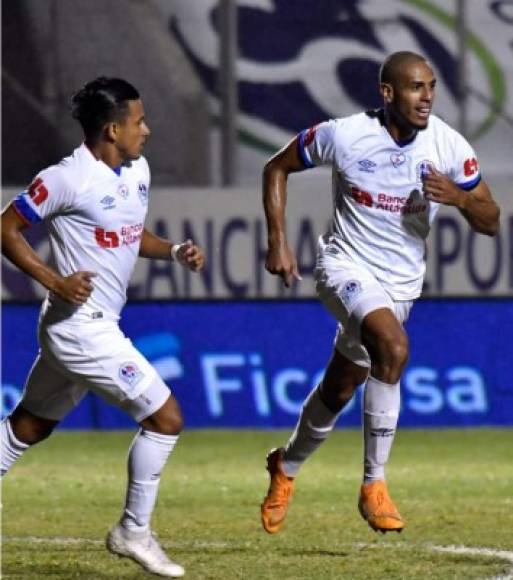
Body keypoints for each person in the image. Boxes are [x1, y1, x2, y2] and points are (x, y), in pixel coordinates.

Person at [260, 51, 500, 535]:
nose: (426, 96)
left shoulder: (449, 146)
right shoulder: (344, 135)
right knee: (392, 348)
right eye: (415, 87)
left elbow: (491, 220)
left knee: (342, 384)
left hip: (400, 286)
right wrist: (279, 242)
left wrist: (459, 197)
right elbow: (276, 168)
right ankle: (374, 485)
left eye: (431, 86)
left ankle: (285, 466)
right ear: (388, 93)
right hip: (342, 266)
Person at [0, 77, 205, 577]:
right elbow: (5, 227)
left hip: (91, 324)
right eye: (139, 122)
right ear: (112, 129)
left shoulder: (137, 170)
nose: (147, 130)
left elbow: (132, 234)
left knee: (28, 426)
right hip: (80, 328)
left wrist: (173, 250)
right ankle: (132, 531)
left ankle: (133, 530)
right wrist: (54, 280)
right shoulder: (68, 177)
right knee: (166, 418)